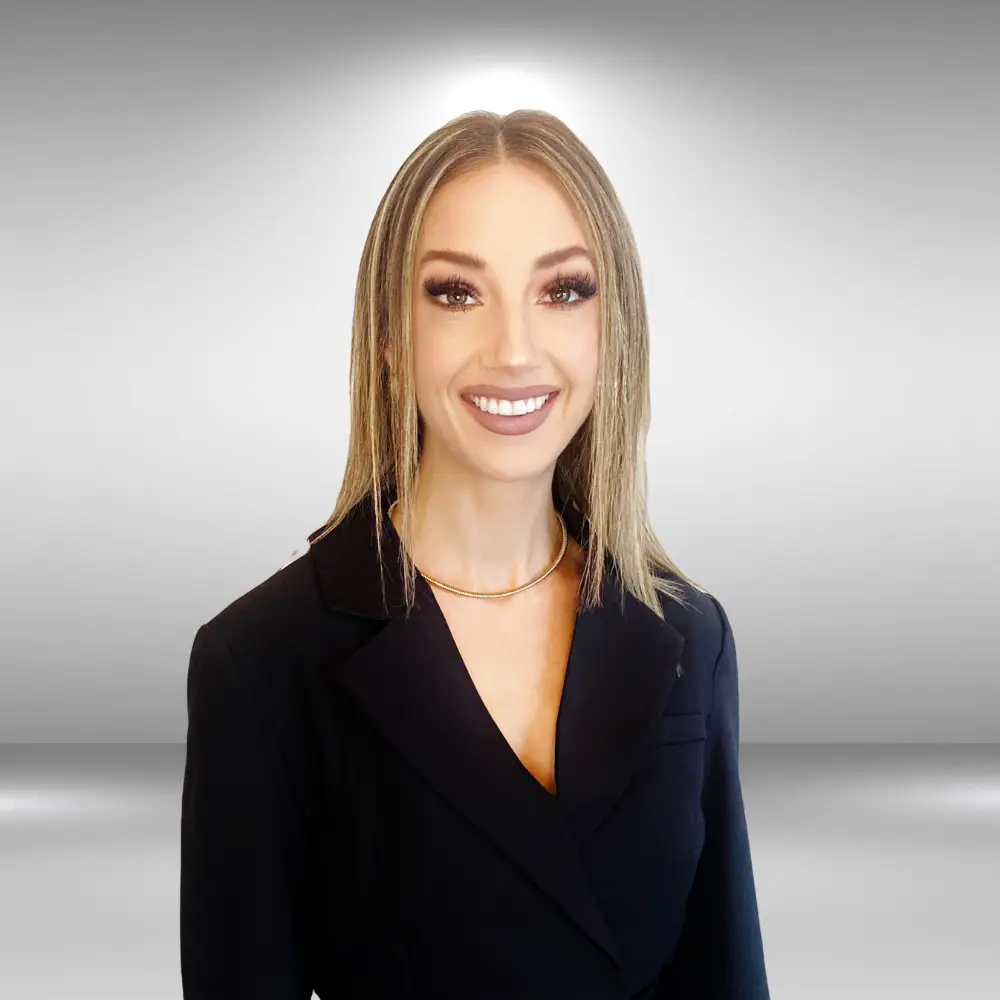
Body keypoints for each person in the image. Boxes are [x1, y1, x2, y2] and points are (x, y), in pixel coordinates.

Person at [180, 109, 770, 999]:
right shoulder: (260, 662)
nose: (515, 349)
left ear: (616, 333)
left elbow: (727, 977)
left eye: (563, 290)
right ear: (388, 339)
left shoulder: (688, 633)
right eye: (456, 293)